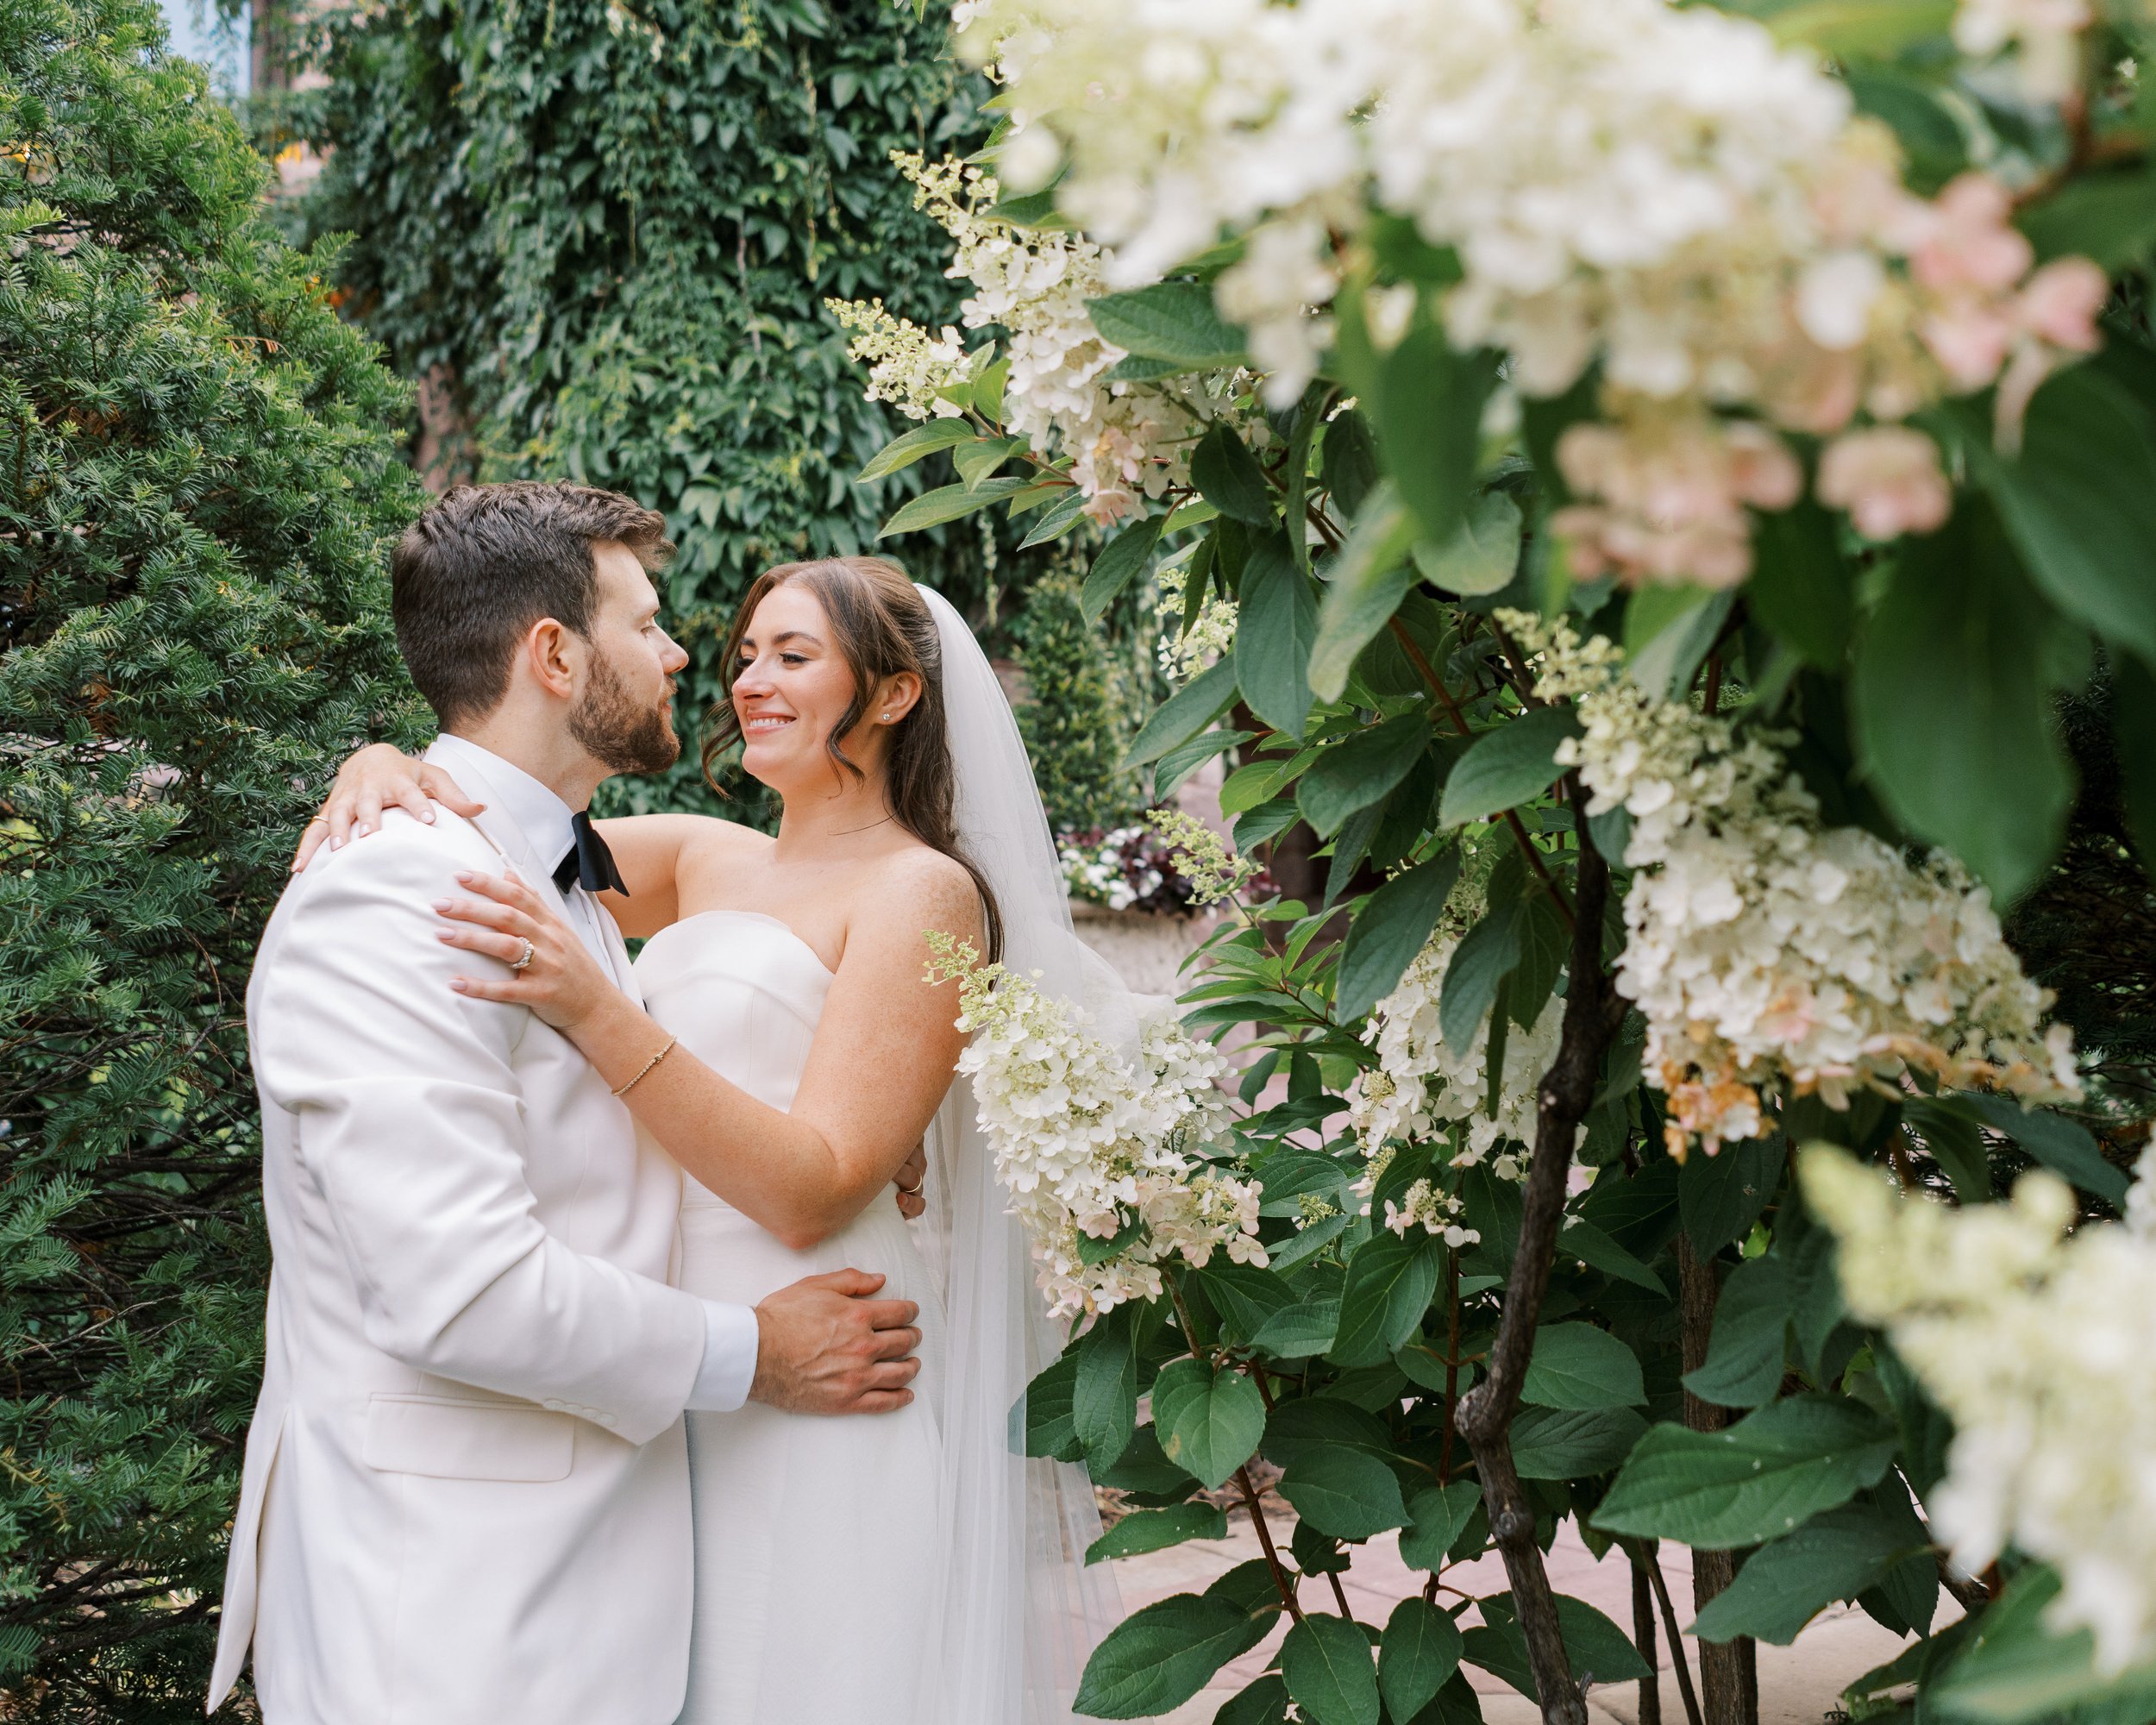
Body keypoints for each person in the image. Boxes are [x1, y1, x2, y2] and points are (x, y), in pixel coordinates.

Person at [298, 534, 1119, 1721]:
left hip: (824, 1357)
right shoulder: (698, 855)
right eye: (745, 653)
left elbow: (821, 1181)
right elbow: (492, 841)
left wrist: (595, 1008)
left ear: (893, 694)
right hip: (679, 1359)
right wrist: (385, 760)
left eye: (795, 655)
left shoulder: (925, 893)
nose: (749, 680)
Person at [217, 485, 929, 1725]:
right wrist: (755, 1353)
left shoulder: (557, 877)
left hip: (612, 1568)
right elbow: (466, 1291)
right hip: (452, 1614)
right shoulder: (395, 894)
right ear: (553, 655)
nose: (681, 658)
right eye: (647, 626)